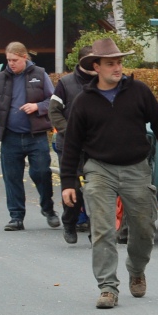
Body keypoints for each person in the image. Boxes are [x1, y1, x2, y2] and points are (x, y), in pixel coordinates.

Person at [60, 38, 158, 309]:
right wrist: (68, 182)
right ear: (96, 67)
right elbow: (72, 145)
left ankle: (136, 269)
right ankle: (107, 287)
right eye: (110, 63)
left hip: (136, 168)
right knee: (103, 229)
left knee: (144, 227)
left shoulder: (138, 92)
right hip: (99, 169)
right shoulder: (83, 101)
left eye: (119, 62)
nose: (117, 68)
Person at [0, 42, 61, 232]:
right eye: (8, 60)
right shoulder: (1, 78)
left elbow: (53, 100)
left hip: (35, 136)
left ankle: (48, 209)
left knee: (42, 173)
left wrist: (37, 106)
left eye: (15, 60)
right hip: (10, 136)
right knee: (12, 178)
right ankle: (16, 217)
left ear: (24, 57)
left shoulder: (39, 74)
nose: (11, 64)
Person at [49, 46, 97, 244]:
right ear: (82, 62)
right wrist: (71, 132)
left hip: (96, 145)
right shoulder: (65, 83)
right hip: (70, 145)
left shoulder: (104, 82)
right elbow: (54, 111)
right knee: (73, 188)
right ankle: (70, 222)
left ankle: (97, 231)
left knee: (98, 188)